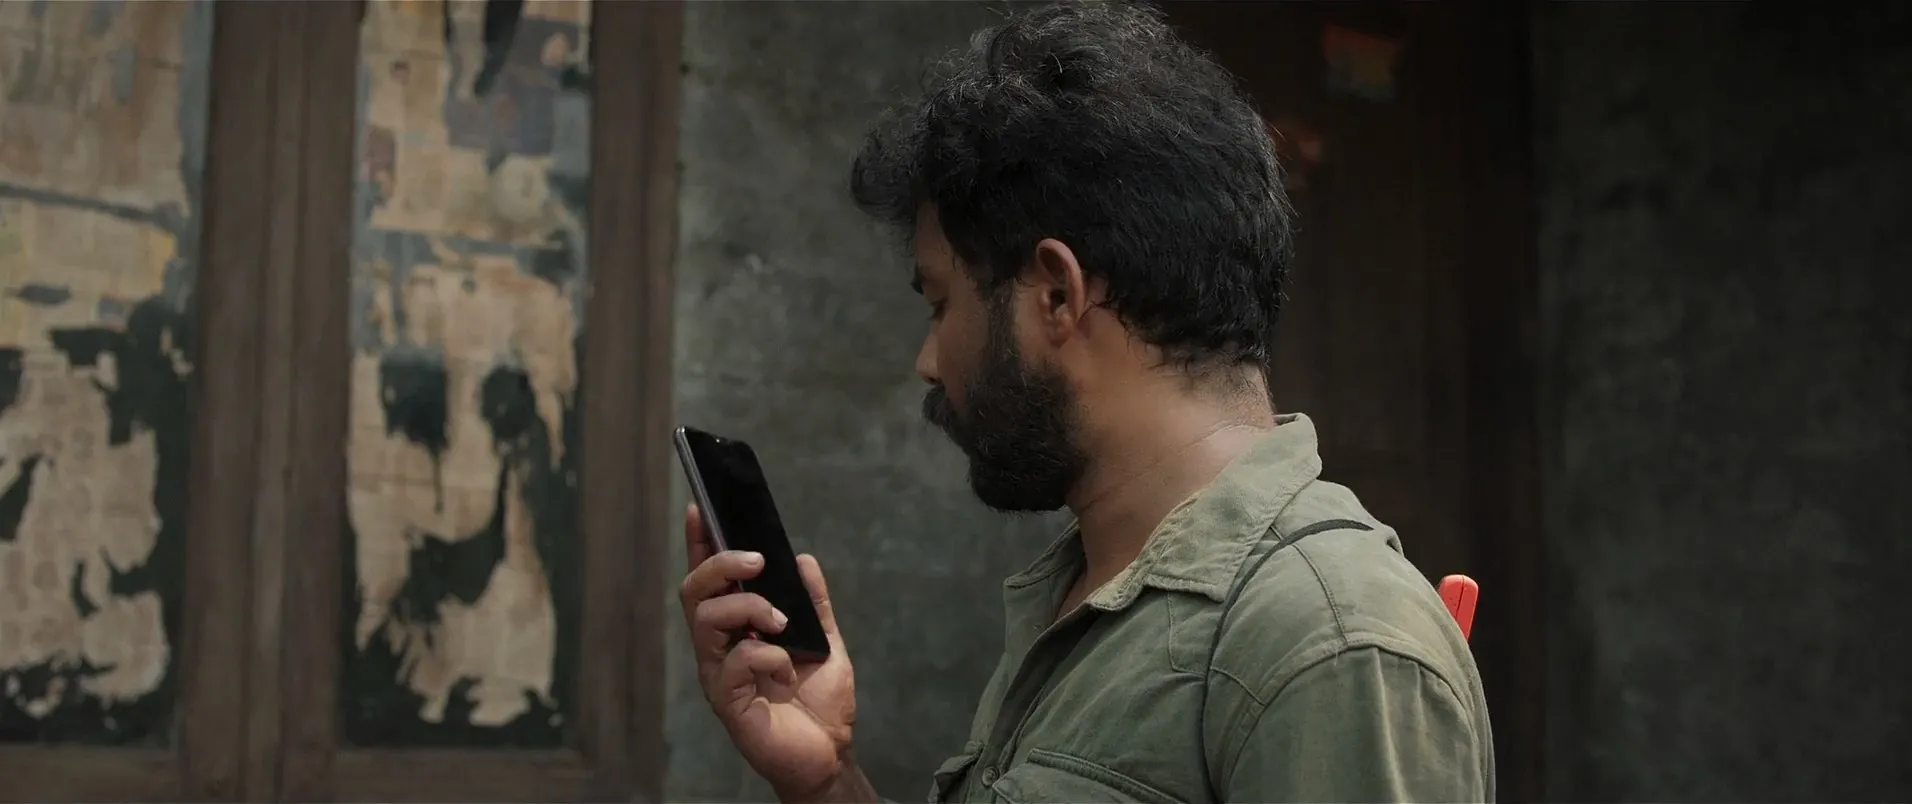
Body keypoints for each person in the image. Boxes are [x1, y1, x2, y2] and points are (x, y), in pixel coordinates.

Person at [675, 2, 1495, 802]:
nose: (928, 362)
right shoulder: (1088, 594)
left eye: (940, 303)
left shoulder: (1327, 636)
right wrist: (824, 781)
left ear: (1057, 295)